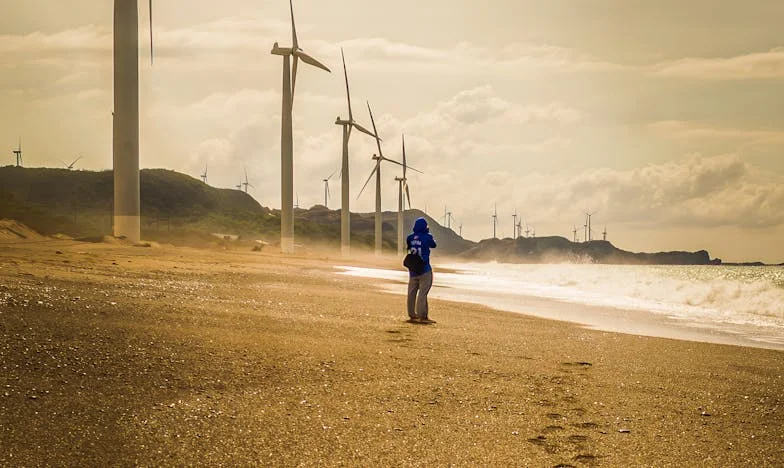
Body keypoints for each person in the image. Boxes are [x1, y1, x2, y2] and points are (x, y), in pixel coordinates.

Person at [406, 217, 437, 323]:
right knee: (423, 293)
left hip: (413, 269)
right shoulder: (427, 237)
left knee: (411, 293)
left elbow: (409, 247)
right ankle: (422, 316)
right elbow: (434, 245)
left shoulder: (410, 237)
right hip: (424, 269)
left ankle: (412, 314)